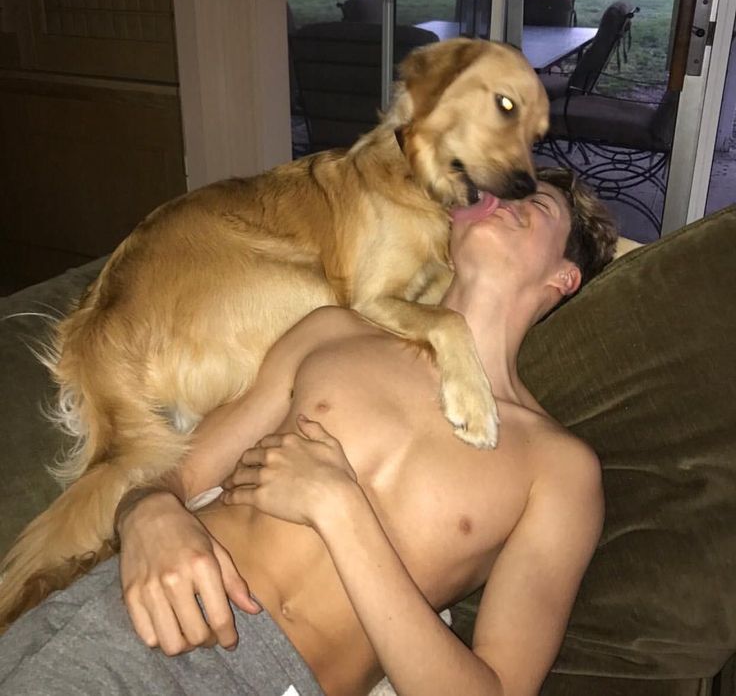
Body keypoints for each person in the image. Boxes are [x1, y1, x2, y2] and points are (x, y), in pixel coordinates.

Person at [0, 167, 618, 696]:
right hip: (128, 609)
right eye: (498, 191)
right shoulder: (331, 332)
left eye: (534, 203)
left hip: (275, 677)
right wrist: (148, 512)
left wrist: (338, 507)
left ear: (564, 278)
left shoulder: (557, 468)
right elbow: (182, 471)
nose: (502, 201)